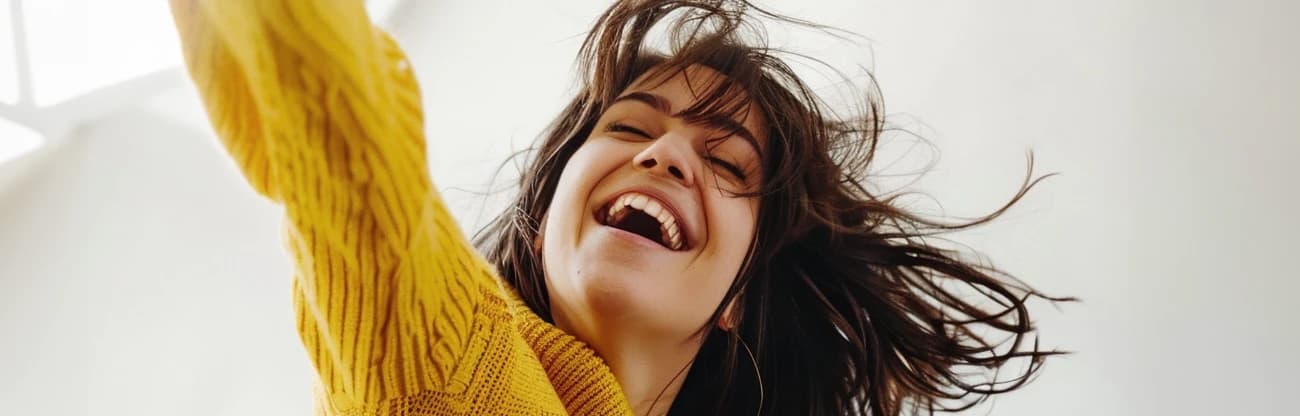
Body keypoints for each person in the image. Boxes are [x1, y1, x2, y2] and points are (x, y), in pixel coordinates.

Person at [170, 0, 1067, 414]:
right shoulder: (447, 361)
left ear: (739, 302)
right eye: (633, 123)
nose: (667, 150)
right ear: (544, 217)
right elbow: (339, 127)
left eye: (725, 161)